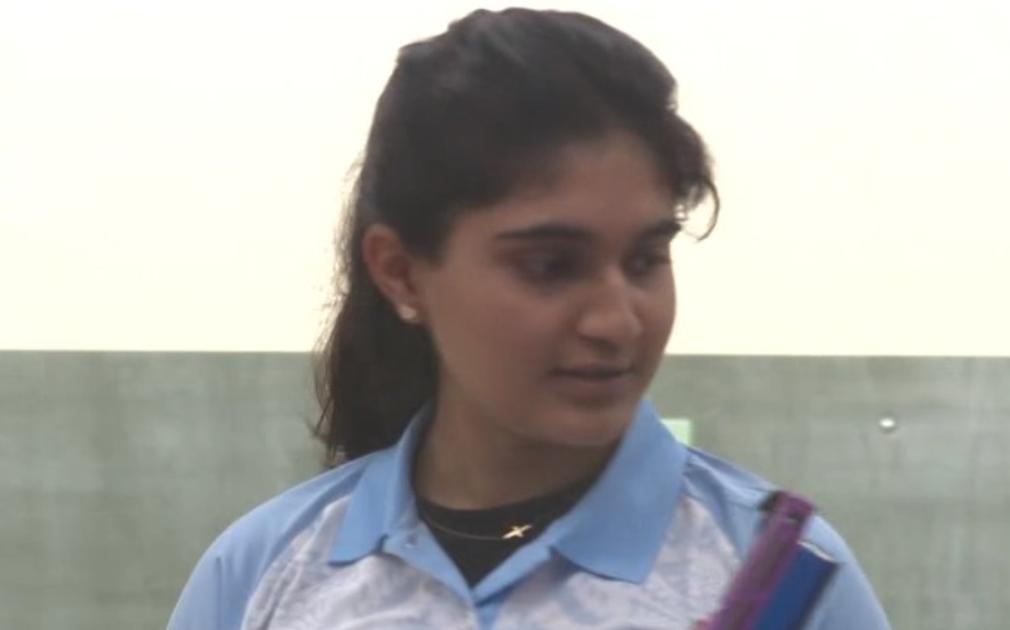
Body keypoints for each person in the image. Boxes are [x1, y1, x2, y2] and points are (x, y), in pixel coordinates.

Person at [168, 8, 891, 629]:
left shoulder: (777, 579)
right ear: (401, 272)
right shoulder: (264, 570)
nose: (616, 321)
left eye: (646, 259)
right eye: (550, 266)